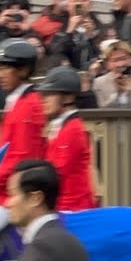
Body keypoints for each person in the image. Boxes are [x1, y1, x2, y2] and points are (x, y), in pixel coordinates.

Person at [0, 40, 46, 243]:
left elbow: (20, 158)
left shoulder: (27, 106)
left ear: (22, 70)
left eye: (4, 68)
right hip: (2, 189)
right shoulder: (17, 101)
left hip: (8, 195)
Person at [38, 67, 98, 212]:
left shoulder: (73, 129)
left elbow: (58, 170)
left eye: (50, 94)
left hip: (71, 208)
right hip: (61, 205)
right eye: (44, 95)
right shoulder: (60, 126)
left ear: (68, 98)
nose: (44, 100)